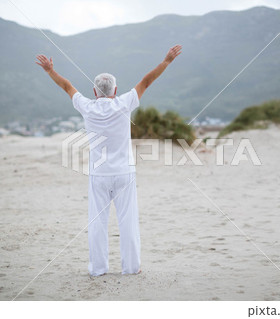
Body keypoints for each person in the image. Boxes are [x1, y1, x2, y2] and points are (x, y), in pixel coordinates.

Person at [35, 45, 182, 276]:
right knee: (128, 222)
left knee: (97, 223)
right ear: (116, 90)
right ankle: (132, 268)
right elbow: (146, 82)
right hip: (124, 172)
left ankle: (98, 269)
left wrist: (49, 70)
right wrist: (167, 61)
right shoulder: (124, 103)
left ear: (95, 92)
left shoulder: (87, 107)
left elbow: (67, 86)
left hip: (99, 175)